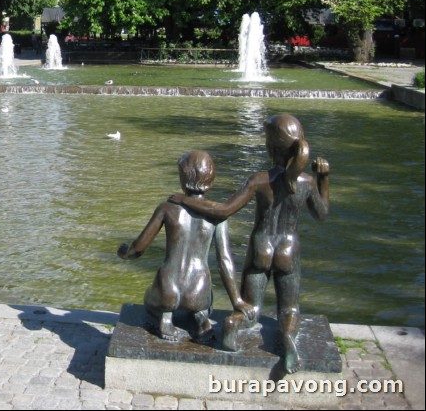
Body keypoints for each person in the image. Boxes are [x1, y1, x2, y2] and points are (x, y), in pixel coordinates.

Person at [169, 114, 329, 373]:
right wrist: (323, 179)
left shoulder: (259, 180)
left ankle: (234, 324)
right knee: (289, 308)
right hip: (288, 248)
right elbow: (322, 213)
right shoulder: (307, 183)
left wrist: (184, 199)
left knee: (250, 308)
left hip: (261, 248)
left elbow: (223, 210)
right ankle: (287, 339)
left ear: (270, 148)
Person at [118, 151, 253, 343]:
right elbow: (225, 260)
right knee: (205, 303)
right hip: (198, 290)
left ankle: (165, 317)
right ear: (211, 178)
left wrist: (125, 253)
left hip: (168, 287)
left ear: (183, 178)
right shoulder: (218, 216)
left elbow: (138, 248)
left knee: (149, 300)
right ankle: (201, 318)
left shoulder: (167, 208)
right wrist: (237, 300)